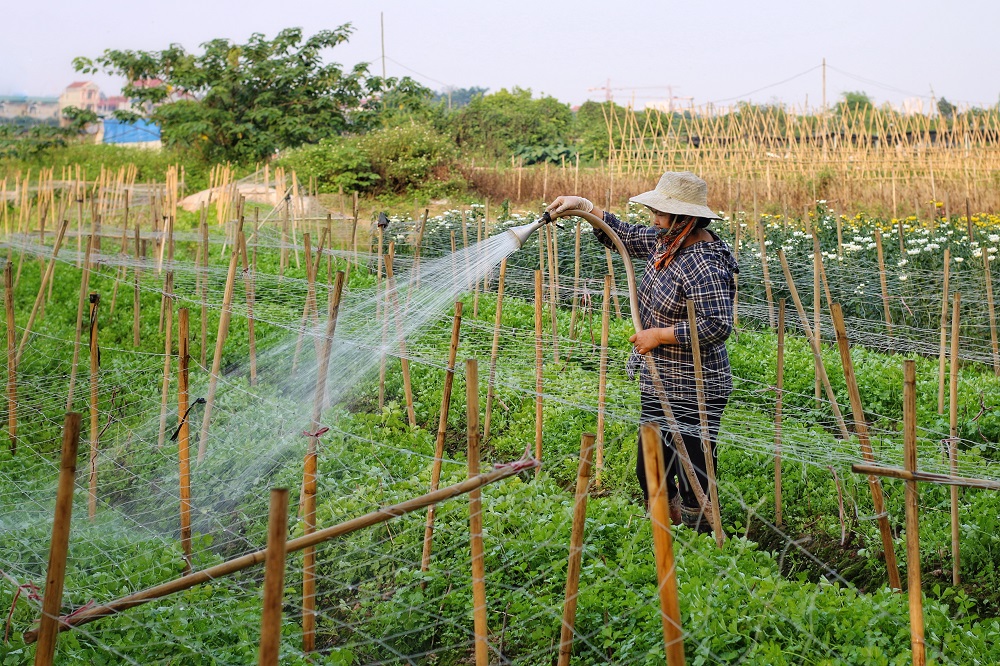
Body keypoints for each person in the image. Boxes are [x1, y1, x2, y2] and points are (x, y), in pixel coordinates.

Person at [546, 171, 738, 531]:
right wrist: (582, 207)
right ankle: (664, 534)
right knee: (650, 468)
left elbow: (717, 325)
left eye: (662, 213)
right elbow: (625, 234)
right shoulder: (666, 241)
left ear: (687, 218)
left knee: (694, 472)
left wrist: (659, 336)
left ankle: (703, 541)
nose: (654, 219)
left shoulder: (703, 262)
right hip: (659, 380)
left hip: (696, 386)